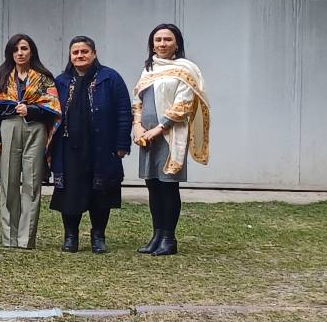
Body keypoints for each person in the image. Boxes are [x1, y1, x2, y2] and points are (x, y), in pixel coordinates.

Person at [133, 23, 211, 256]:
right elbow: (137, 100)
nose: (162, 44)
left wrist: (159, 128)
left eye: (167, 39)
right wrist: (137, 126)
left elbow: (183, 105)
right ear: (152, 44)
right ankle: (156, 235)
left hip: (169, 135)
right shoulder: (148, 70)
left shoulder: (186, 69)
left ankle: (169, 238)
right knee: (153, 185)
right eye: (158, 40)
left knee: (168, 186)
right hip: (146, 137)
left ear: (177, 44)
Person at [50, 35, 132, 254]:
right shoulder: (61, 81)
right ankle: (71, 236)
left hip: (102, 147)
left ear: (94, 54)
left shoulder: (110, 78)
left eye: (84, 51)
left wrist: (122, 143)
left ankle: (98, 236)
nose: (80, 55)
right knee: (70, 192)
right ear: (70, 55)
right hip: (68, 147)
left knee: (101, 192)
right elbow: (51, 115)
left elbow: (124, 112)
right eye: (75, 52)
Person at [0, 34, 61, 249]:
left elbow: (54, 107)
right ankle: (9, 237)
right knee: (9, 182)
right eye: (15, 49)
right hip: (9, 127)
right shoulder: (2, 76)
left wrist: (32, 109)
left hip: (35, 128)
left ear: (31, 51)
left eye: (24, 48)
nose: (20, 53)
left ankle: (26, 239)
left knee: (32, 182)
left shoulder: (44, 77)